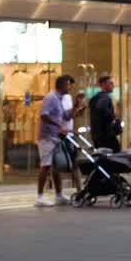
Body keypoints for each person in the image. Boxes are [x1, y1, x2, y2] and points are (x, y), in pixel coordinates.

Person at [36, 74, 84, 207]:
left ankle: (59, 195)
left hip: (56, 137)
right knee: (45, 166)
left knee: (56, 167)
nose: (70, 87)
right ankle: (39, 197)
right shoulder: (51, 98)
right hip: (47, 137)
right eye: (69, 84)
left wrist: (76, 106)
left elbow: (66, 116)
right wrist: (58, 127)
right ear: (62, 85)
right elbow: (44, 115)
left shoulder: (59, 98)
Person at [88, 74, 120, 152]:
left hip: (97, 134)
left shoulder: (95, 98)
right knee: (115, 150)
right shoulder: (104, 97)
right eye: (110, 83)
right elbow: (102, 109)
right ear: (103, 84)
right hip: (106, 134)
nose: (113, 85)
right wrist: (113, 117)